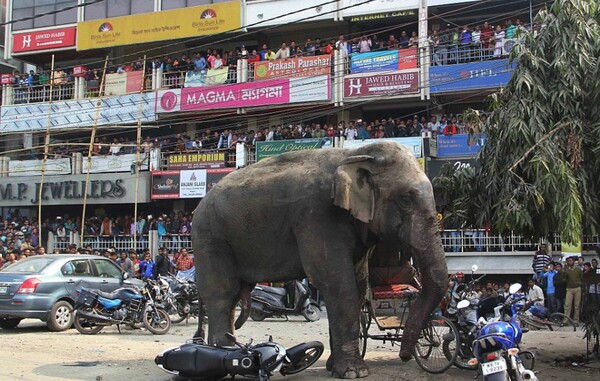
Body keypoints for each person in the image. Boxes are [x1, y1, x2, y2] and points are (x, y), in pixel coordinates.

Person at [561, 256, 583, 322]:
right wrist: (564, 271)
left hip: (577, 288)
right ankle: (566, 320)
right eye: (568, 261)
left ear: (574, 261)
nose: (569, 262)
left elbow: (582, 278)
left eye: (571, 261)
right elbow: (563, 279)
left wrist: (582, 287)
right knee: (567, 305)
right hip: (569, 289)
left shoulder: (578, 269)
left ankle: (576, 320)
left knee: (577, 305)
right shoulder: (566, 270)